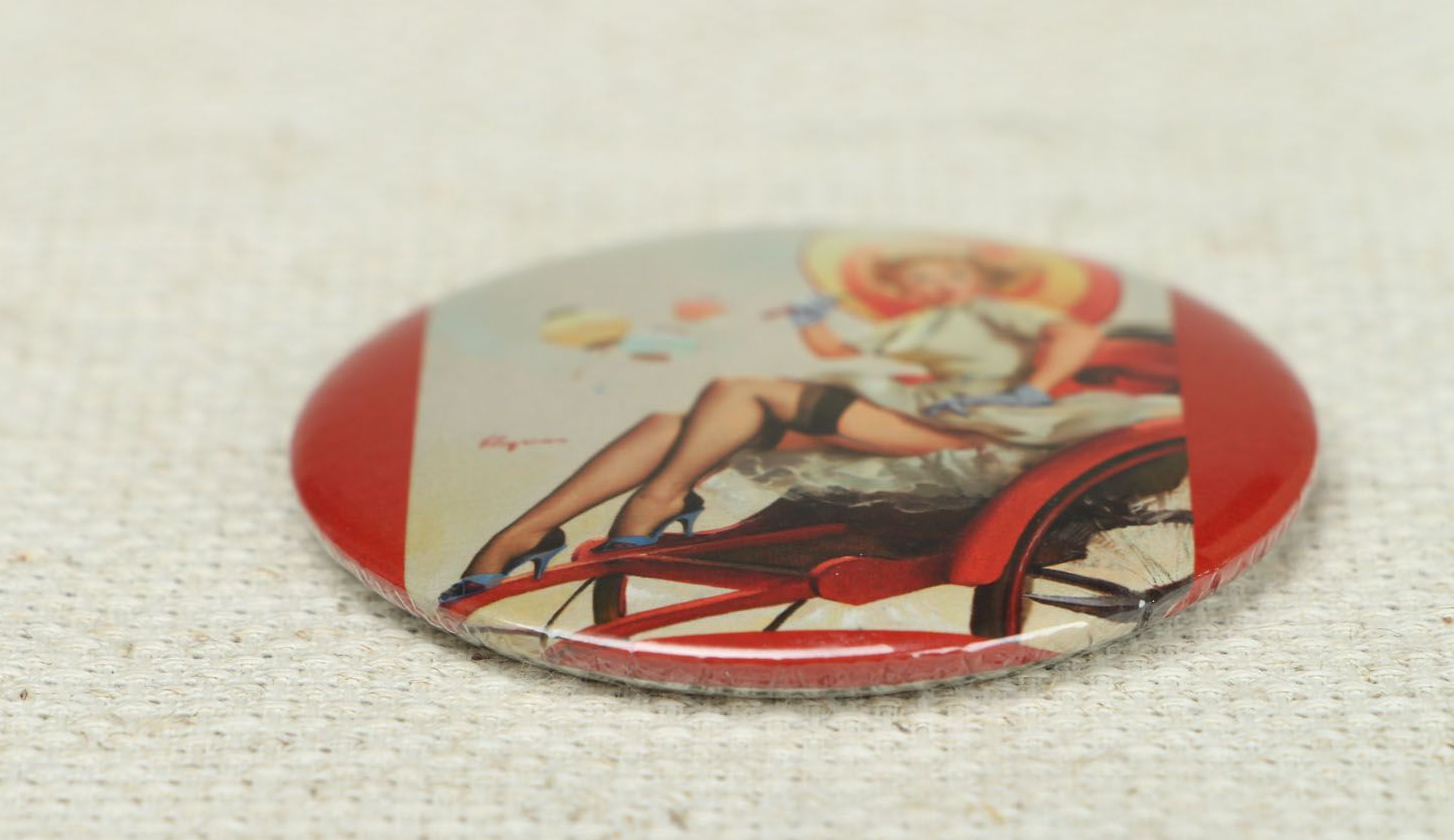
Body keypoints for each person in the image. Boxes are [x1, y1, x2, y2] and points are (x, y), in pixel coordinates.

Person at [439, 251, 1178, 604]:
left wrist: (1032, 388)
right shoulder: (913, 328)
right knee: (673, 421)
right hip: (906, 416)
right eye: (918, 281)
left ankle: (661, 499)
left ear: (981, 280)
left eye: (945, 277)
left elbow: (1077, 335)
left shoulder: (995, 311)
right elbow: (831, 352)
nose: (933, 286)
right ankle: (527, 532)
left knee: (739, 392)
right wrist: (812, 320)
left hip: (983, 429)